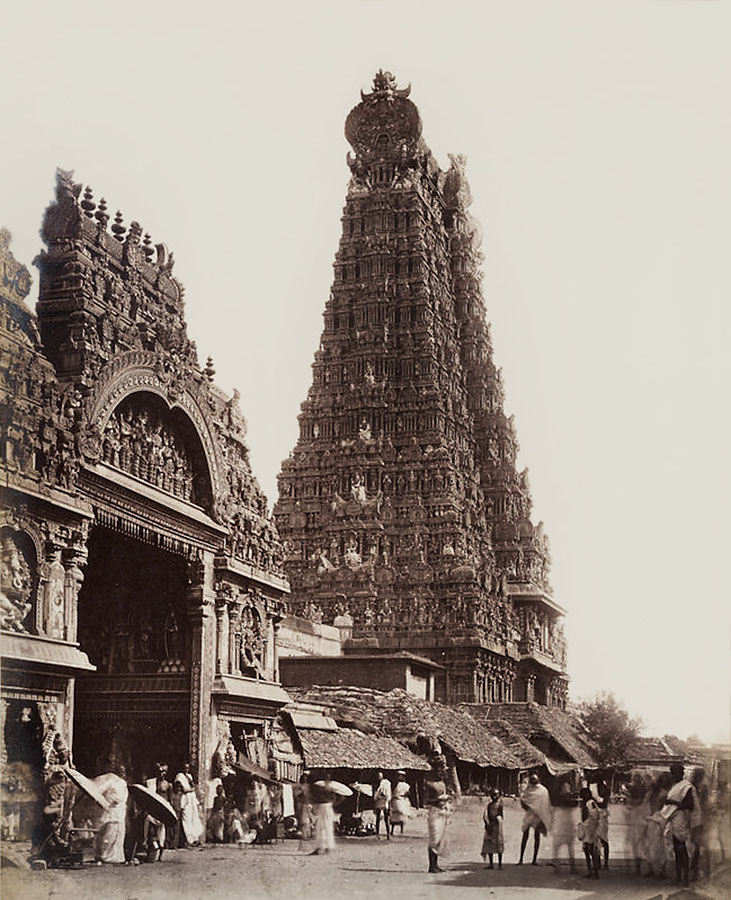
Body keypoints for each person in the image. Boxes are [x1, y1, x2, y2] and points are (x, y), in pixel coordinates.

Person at [660, 763, 697, 887]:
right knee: (677, 849)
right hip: (673, 818)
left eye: (674, 773)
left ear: (680, 774)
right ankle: (678, 877)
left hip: (680, 819)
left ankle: (685, 878)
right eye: (671, 773)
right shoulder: (676, 786)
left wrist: (671, 801)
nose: (672, 776)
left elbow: (689, 805)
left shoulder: (686, 787)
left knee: (681, 848)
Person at [424, 753, 452, 874]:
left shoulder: (442, 783)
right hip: (434, 812)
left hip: (443, 811)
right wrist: (439, 800)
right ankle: (432, 866)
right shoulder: (429, 784)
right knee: (434, 839)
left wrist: (447, 800)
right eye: (439, 770)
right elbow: (426, 801)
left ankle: (436, 865)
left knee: (440, 839)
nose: (441, 772)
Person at [518, 773, 551, 865]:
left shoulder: (543, 790)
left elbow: (545, 803)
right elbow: (523, 801)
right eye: (532, 779)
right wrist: (529, 807)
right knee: (525, 835)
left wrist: (540, 811)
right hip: (529, 814)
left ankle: (534, 859)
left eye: (534, 779)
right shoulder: (528, 789)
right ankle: (521, 859)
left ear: (538, 780)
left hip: (538, 816)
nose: (533, 781)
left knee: (537, 836)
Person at [95, 771, 128, 863]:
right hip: (111, 810)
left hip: (120, 810)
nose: (122, 773)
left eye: (123, 771)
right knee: (109, 834)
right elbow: (100, 792)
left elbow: (124, 797)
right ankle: (104, 855)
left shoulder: (123, 783)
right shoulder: (111, 781)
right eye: (120, 771)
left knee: (119, 834)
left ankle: (116, 857)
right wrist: (106, 801)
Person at [173, 762, 204, 847]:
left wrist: (193, 789)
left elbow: (192, 786)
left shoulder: (189, 776)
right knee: (186, 818)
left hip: (191, 799)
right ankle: (188, 839)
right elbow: (182, 788)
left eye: (187, 768)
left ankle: (194, 839)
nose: (186, 769)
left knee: (193, 818)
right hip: (184, 799)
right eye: (185, 767)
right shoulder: (179, 776)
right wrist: (191, 790)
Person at [624, 772, 648, 875]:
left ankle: (638, 867)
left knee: (637, 844)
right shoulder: (645, 792)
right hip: (642, 819)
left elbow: (629, 806)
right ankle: (641, 867)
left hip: (636, 820)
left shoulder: (635, 793)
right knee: (642, 844)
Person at [690, 767, 710, 882]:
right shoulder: (696, 787)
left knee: (699, 846)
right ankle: (699, 871)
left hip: (700, 819)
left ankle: (700, 871)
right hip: (698, 819)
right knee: (698, 846)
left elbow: (705, 804)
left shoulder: (700, 788)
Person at [309, 771, 336, 855]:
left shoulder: (328, 788)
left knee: (325, 828)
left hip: (326, 807)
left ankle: (326, 847)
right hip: (324, 807)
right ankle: (322, 847)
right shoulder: (322, 786)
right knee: (321, 828)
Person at [579, 787, 601, 879]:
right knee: (592, 850)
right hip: (593, 828)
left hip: (588, 828)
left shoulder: (587, 804)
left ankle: (592, 871)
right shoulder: (593, 803)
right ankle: (594, 870)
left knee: (588, 851)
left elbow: (584, 816)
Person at [480, 788, 504, 870]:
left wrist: (493, 824)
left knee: (498, 844)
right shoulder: (489, 805)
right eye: (493, 794)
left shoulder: (500, 805)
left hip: (497, 826)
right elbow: (486, 815)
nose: (494, 796)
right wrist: (487, 824)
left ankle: (500, 864)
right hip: (490, 826)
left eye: (496, 794)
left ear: (499, 795)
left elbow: (500, 816)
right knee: (489, 844)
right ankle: (491, 863)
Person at [593, 777, 611, 869]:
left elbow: (603, 803)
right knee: (601, 840)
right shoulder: (605, 788)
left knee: (600, 840)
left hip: (601, 815)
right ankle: (603, 863)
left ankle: (602, 863)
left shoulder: (600, 789)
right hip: (602, 815)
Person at [373, 770, 392, 839]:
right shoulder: (376, 784)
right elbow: (375, 794)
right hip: (378, 802)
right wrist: (377, 796)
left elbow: (387, 794)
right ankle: (377, 834)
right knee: (377, 819)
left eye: (380, 776)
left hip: (385, 801)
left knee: (386, 819)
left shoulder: (385, 783)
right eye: (378, 776)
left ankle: (388, 834)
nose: (379, 778)